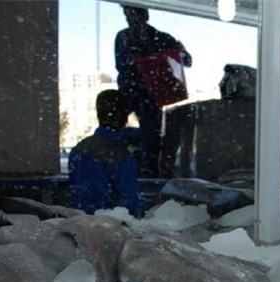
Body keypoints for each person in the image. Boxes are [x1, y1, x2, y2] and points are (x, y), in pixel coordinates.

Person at [115, 5, 192, 177]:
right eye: (127, 15)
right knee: (133, 130)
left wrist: (174, 53)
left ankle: (150, 168)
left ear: (145, 15)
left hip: (152, 96)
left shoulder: (161, 38)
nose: (130, 20)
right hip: (132, 93)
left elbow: (187, 60)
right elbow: (122, 65)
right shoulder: (124, 37)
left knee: (151, 133)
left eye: (133, 15)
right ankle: (142, 162)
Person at [68, 89, 142, 216]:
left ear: (98, 114)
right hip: (111, 223)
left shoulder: (78, 150)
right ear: (124, 116)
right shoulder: (120, 154)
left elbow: (76, 190)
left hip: (79, 221)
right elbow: (130, 203)